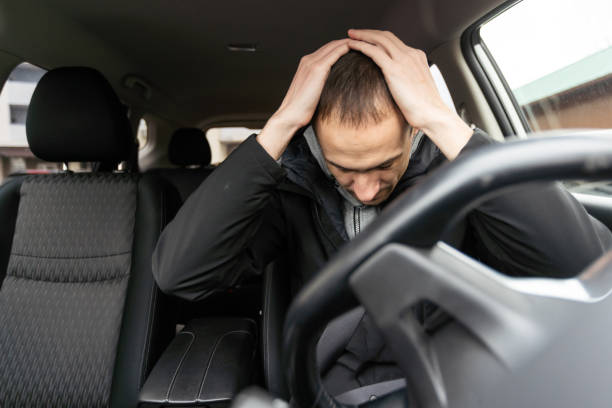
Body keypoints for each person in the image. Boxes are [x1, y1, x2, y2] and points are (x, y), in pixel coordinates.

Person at [152, 29, 612, 396]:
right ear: (313, 142)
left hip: (459, 385)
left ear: (414, 129)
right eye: (344, 168)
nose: (368, 189)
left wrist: (442, 120)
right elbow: (180, 275)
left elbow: (581, 266)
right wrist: (280, 127)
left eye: (385, 164)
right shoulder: (290, 190)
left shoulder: (460, 179)